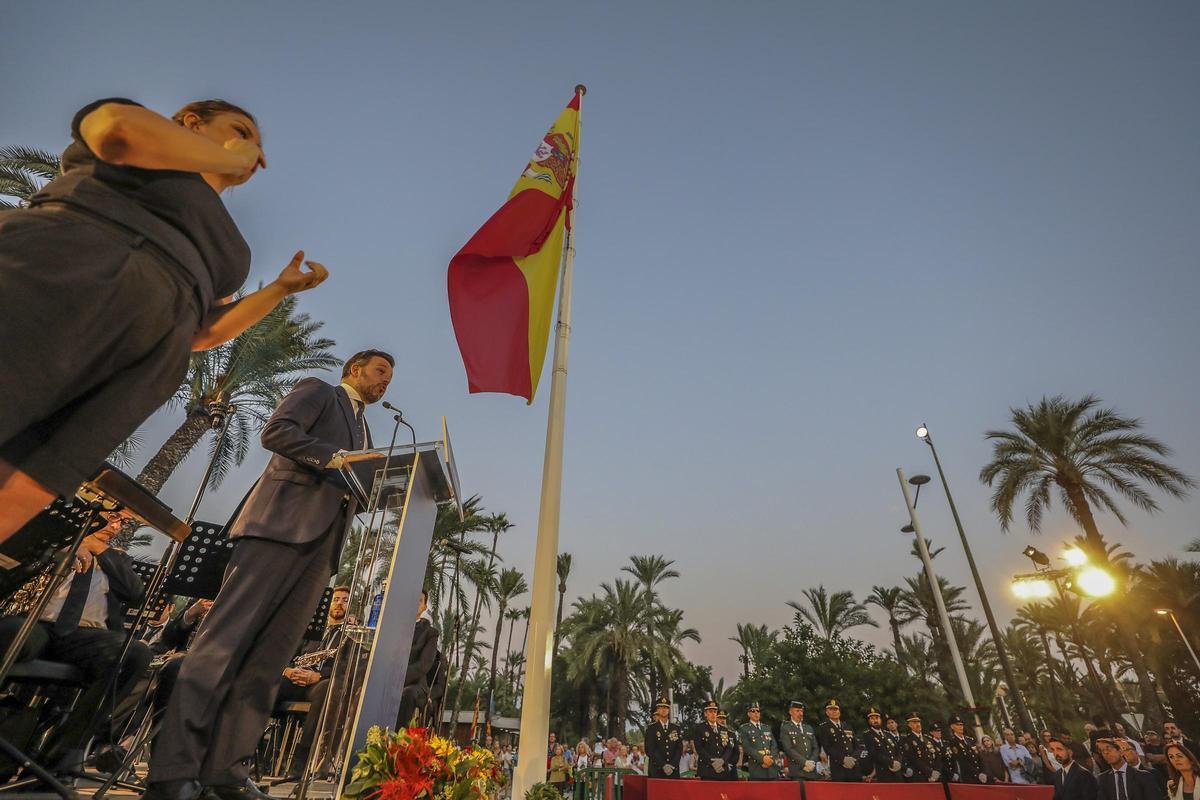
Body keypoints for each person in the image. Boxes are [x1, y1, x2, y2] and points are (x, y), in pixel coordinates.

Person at [0, 98, 329, 544]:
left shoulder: (233, 246)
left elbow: (206, 331)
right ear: (191, 123)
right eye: (241, 131)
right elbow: (116, 130)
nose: (258, 155)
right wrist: (229, 157)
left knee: (34, 471)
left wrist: (279, 290)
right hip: (61, 268)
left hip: (147, 355)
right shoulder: (136, 142)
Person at [145, 349, 393, 800]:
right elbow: (277, 433)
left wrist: (381, 485)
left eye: (389, 379)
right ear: (355, 369)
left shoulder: (365, 427)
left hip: (322, 549)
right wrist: (338, 458)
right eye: (380, 372)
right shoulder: (319, 391)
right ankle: (173, 771)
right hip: (277, 530)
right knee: (222, 645)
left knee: (267, 662)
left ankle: (225, 771)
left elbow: (354, 483)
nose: (384, 383)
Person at [0, 509, 150, 771]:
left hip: (85, 637)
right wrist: (71, 546)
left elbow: (135, 594)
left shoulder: (117, 560)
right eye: (110, 517)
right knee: (13, 636)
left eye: (122, 522)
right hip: (37, 623)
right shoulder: (54, 542)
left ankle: (63, 752)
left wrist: (97, 548)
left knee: (136, 654)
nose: (115, 526)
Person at [397, 589, 439, 728]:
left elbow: (424, 665)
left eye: (419, 600)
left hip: (415, 685)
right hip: (387, 679)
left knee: (406, 694)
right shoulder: (391, 627)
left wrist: (397, 679)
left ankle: (396, 740)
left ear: (424, 607)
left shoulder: (430, 633)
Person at [816, 698, 860, 782]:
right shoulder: (824, 727)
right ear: (827, 712)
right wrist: (843, 759)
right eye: (831, 709)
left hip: (854, 767)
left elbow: (857, 746)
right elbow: (828, 748)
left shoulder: (847, 726)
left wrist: (853, 758)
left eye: (836, 709)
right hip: (839, 768)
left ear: (839, 711)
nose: (834, 711)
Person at [694, 700, 735, 780]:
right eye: (710, 711)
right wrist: (712, 762)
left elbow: (729, 747)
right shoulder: (700, 728)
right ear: (705, 714)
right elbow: (699, 748)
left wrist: (723, 760)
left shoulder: (724, 729)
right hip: (707, 770)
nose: (713, 714)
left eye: (715, 711)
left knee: (723, 793)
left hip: (722, 769)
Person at [644, 696, 685, 778]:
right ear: (658, 709)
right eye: (661, 707)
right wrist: (663, 765)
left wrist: (672, 765)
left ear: (669, 710)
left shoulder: (675, 728)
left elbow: (679, 748)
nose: (664, 709)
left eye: (666, 707)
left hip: (673, 771)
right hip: (657, 770)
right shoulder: (651, 728)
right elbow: (650, 749)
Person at [739, 702, 781, 780]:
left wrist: (770, 759)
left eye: (758, 711)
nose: (756, 713)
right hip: (757, 768)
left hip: (771, 769)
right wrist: (763, 759)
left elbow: (774, 745)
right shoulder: (744, 728)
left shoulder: (767, 728)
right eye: (753, 711)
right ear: (748, 714)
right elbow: (747, 747)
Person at [780, 700, 820, 781]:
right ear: (790, 712)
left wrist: (811, 762)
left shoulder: (808, 728)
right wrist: (805, 762)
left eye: (801, 711)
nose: (800, 714)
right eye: (797, 711)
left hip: (811, 771)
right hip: (797, 771)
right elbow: (788, 749)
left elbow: (815, 748)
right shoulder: (786, 727)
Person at [945, 714, 990, 784]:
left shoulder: (970, 739)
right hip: (969, 778)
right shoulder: (953, 742)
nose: (960, 727)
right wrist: (977, 774)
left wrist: (983, 772)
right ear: (952, 727)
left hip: (981, 776)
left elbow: (979, 757)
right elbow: (962, 761)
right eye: (958, 725)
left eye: (961, 725)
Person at [861, 707, 901, 782]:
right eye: (872, 718)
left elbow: (898, 750)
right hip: (883, 773)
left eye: (877, 718)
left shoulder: (888, 734)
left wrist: (898, 762)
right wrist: (891, 763)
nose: (875, 720)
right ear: (869, 721)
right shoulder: (867, 735)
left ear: (881, 719)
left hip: (896, 771)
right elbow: (874, 753)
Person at [900, 712, 940, 783]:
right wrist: (930, 772)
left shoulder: (928, 739)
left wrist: (936, 772)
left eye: (918, 722)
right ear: (909, 725)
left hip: (933, 777)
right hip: (919, 777)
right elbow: (913, 759)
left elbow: (936, 756)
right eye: (914, 722)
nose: (918, 724)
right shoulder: (907, 740)